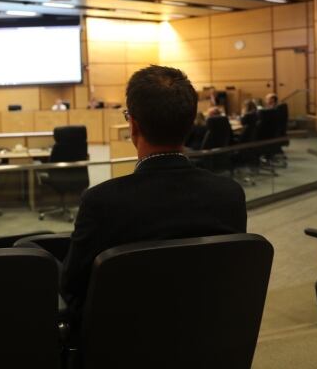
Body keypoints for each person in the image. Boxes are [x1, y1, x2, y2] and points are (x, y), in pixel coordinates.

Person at [61, 65, 246, 325]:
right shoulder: (230, 195)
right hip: (205, 338)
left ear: (133, 125)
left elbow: (71, 288)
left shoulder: (102, 202)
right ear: (192, 122)